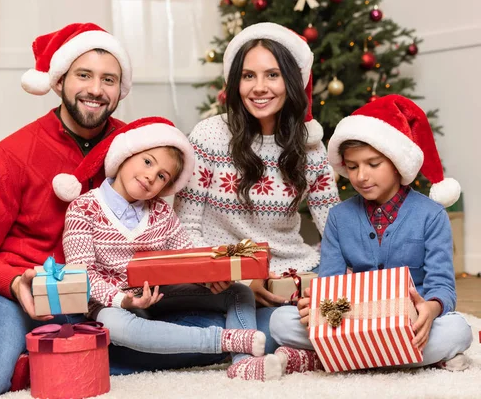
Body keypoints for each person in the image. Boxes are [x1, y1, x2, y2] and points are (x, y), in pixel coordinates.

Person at [0, 23, 224, 399]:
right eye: (84, 75)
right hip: (20, 288)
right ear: (59, 81)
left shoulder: (141, 147)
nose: (96, 89)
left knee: (202, 335)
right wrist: (12, 281)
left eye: (108, 79)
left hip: (104, 295)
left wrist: (205, 272)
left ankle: (50, 357)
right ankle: (33, 355)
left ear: (119, 90)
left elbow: (162, 233)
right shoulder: (12, 154)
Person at [61, 117, 284, 381]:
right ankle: (223, 341)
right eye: (147, 162)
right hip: (109, 304)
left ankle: (243, 363)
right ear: (125, 155)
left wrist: (209, 278)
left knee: (238, 292)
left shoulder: (161, 212)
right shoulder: (83, 208)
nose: (150, 177)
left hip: (159, 294)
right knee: (115, 327)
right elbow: (82, 275)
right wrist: (123, 300)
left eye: (161, 176)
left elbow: (187, 256)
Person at [270, 94, 473, 374]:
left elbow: (442, 286)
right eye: (352, 167)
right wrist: (315, 307)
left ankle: (333, 358)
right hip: (352, 319)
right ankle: (402, 357)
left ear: (397, 161)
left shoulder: (432, 215)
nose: (360, 176)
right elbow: (331, 280)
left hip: (411, 320)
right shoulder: (339, 218)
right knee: (281, 322)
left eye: (373, 164)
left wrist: (432, 308)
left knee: (458, 329)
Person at [174, 22, 340, 354]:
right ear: (235, 82)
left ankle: (258, 336)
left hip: (289, 274)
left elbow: (335, 227)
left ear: (291, 81)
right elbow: (186, 227)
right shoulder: (209, 136)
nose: (259, 87)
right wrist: (235, 278)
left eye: (272, 75)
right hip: (221, 275)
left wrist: (324, 282)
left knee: (293, 321)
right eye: (248, 76)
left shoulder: (311, 147)